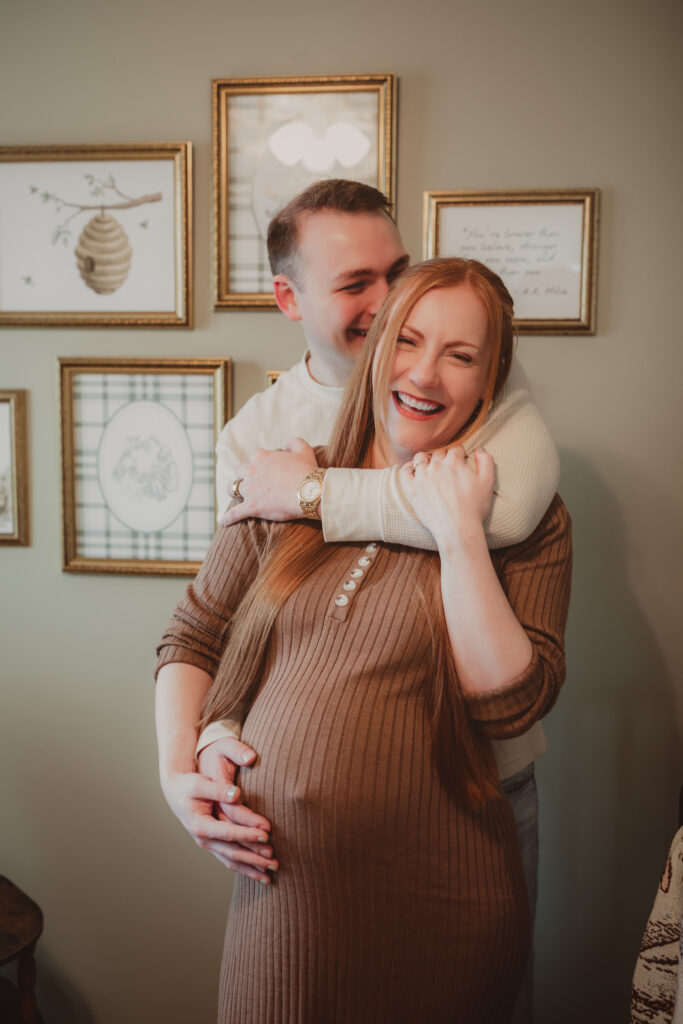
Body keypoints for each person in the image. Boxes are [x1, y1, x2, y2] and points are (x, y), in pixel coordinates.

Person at [154, 180, 559, 1020]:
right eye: (360, 291)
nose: (390, 318)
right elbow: (205, 633)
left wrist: (445, 527)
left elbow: (509, 688)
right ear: (290, 299)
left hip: (457, 860)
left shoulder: (502, 458)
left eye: (458, 352)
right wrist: (191, 755)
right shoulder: (267, 446)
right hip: (287, 891)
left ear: (490, 375)